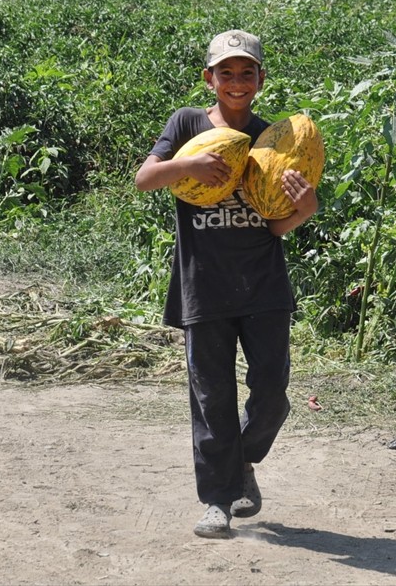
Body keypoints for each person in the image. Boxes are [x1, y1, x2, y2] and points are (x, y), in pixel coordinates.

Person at [134, 29, 318, 540]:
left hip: (263, 286)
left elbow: (275, 223)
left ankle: (241, 463)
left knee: (272, 394)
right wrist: (187, 164)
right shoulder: (187, 124)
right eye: (226, 73)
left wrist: (303, 211)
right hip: (204, 287)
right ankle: (217, 500)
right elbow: (144, 178)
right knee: (211, 398)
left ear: (260, 78)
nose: (236, 82)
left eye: (247, 72)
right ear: (209, 77)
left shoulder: (273, 138)